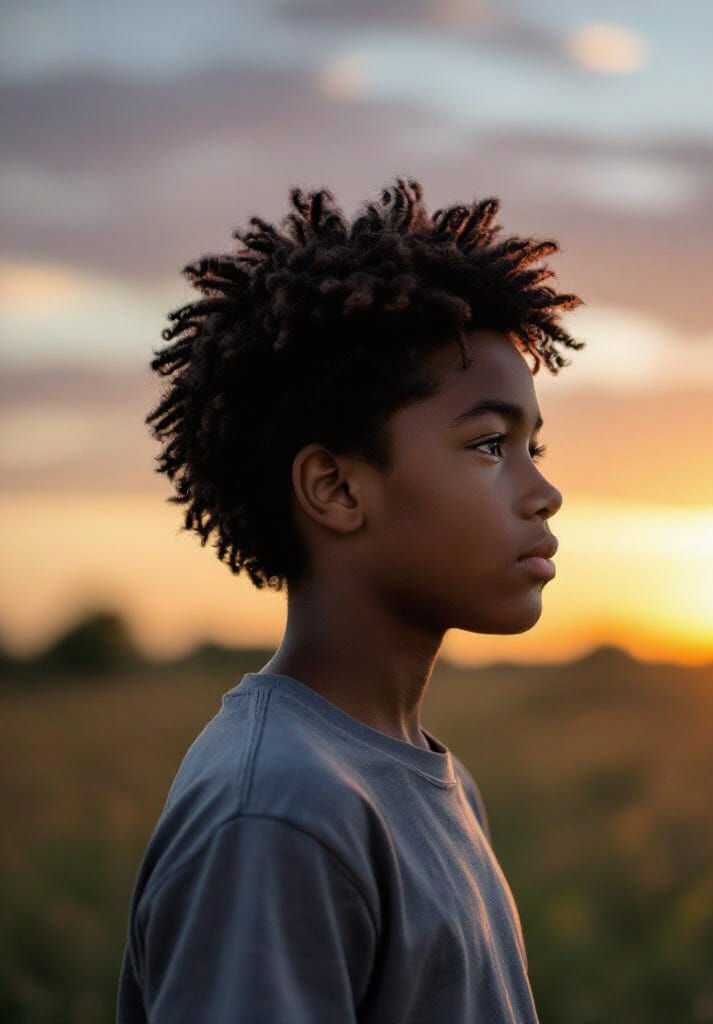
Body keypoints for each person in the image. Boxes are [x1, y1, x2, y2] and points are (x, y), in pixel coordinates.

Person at [116, 178, 585, 1022]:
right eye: (489, 445)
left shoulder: (424, 776)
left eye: (532, 446)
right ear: (334, 488)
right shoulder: (276, 813)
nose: (543, 491)